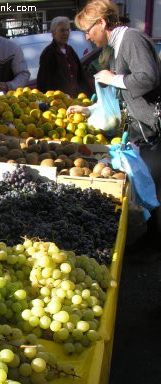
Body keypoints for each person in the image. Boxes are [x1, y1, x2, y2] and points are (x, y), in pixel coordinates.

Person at [67, 0, 161, 252]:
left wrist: (113, 78)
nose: (86, 36)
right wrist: (90, 109)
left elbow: (148, 78)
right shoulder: (118, 45)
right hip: (146, 128)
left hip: (155, 128)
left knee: (155, 184)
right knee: (151, 183)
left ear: (103, 23)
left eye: (88, 29)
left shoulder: (130, 39)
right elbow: (123, 96)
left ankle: (154, 242)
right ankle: (153, 237)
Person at [36, 16, 94, 98]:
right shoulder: (48, 54)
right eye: (62, 30)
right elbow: (43, 82)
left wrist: (90, 94)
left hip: (75, 99)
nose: (66, 33)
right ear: (53, 33)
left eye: (67, 30)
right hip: (58, 102)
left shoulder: (70, 51)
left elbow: (81, 76)